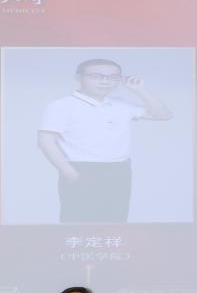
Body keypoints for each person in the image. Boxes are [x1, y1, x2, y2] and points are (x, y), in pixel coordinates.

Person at [38, 58, 173, 223]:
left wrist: (140, 91)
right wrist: (71, 175)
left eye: (113, 77)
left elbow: (163, 115)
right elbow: (45, 141)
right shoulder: (61, 106)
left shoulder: (122, 105)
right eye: (96, 76)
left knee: (116, 220)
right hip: (81, 169)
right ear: (79, 77)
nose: (105, 81)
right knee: (77, 221)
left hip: (119, 170)